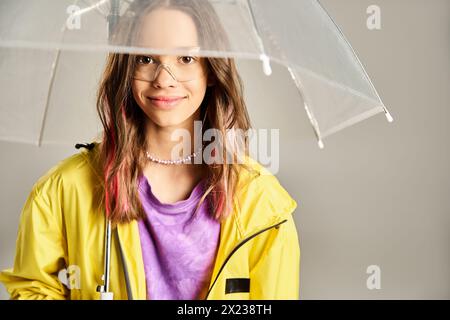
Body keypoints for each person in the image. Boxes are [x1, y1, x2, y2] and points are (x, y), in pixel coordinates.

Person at [0, 0, 300, 300]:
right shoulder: (64, 190)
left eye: (185, 58)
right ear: (126, 68)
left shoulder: (262, 203)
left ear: (211, 69)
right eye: (145, 58)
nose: (164, 80)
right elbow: (33, 288)